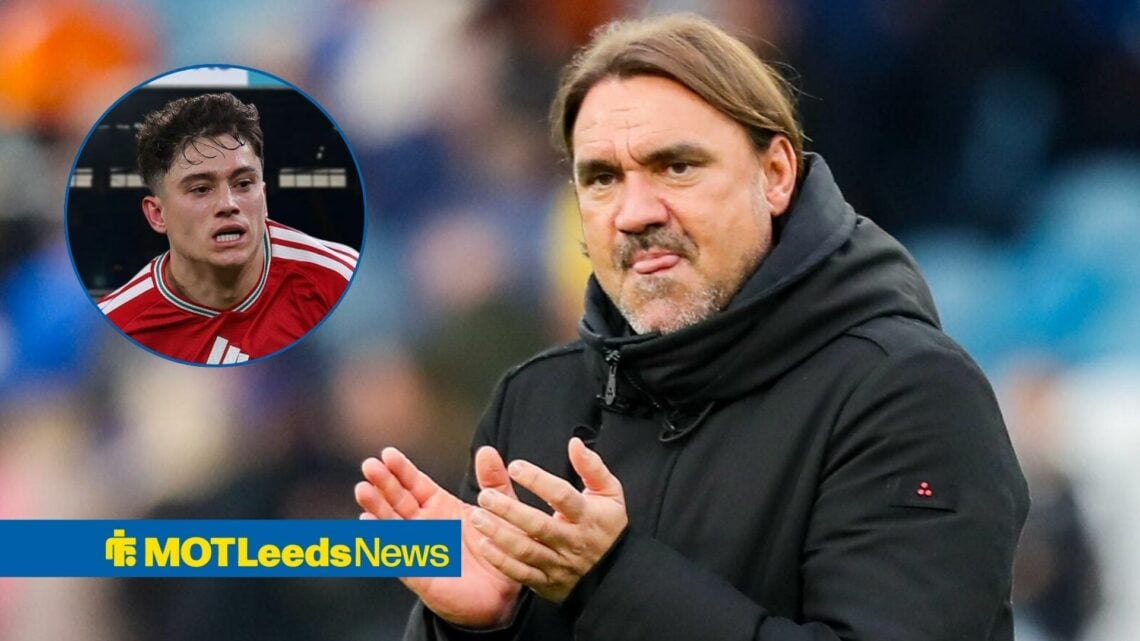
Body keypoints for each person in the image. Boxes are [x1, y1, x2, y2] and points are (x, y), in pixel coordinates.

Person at [355, 13, 1029, 641]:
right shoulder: (533, 402)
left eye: (676, 166)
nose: (635, 212)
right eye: (602, 179)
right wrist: (479, 627)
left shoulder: (910, 392)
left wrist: (610, 580)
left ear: (776, 175)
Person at [97, 92, 357, 365]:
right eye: (201, 189)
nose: (227, 204)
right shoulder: (117, 324)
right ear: (157, 214)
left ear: (263, 197)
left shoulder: (338, 280)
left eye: (243, 184)